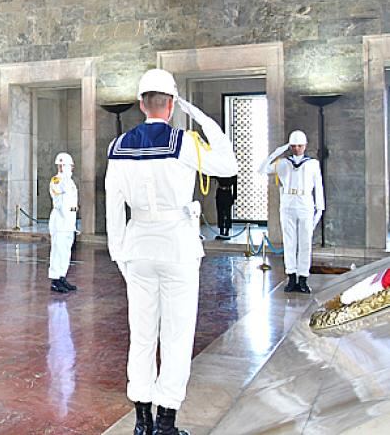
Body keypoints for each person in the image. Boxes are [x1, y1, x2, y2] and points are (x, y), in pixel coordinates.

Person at [105, 69, 237, 435]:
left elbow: (113, 209)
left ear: (141, 103)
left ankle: (141, 420)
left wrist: (120, 256)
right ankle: (166, 421)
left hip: (138, 247)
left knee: (142, 333)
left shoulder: (118, 147)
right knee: (176, 335)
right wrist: (199, 115)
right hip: (176, 246)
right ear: (172, 103)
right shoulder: (183, 142)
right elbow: (228, 164)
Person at [259, 130, 325, 293]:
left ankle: (303, 278)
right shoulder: (283, 163)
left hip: (305, 203)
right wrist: (277, 151)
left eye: (299, 145)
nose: (296, 149)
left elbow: (319, 186)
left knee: (305, 243)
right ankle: (291, 277)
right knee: (289, 242)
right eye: (293, 146)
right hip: (288, 202)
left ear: (305, 146)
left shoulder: (312, 163)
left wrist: (320, 208)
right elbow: (262, 169)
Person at [48, 152, 79, 294]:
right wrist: (63, 175)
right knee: (58, 251)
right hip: (60, 221)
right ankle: (55, 280)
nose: (72, 168)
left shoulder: (70, 181)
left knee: (66, 251)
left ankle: (62, 276)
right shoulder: (57, 180)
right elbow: (59, 197)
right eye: (69, 166)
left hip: (69, 221)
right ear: (62, 166)